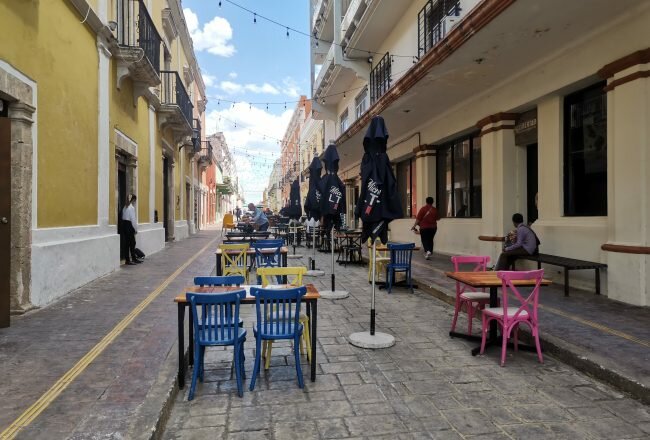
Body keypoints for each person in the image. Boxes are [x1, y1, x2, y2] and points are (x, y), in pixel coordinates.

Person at [121, 194, 141, 265]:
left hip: (124, 225)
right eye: (135, 200)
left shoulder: (125, 207)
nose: (135, 202)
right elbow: (133, 220)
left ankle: (128, 260)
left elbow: (123, 217)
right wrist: (135, 229)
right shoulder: (131, 207)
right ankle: (133, 259)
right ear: (133, 200)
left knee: (127, 244)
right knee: (132, 243)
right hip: (129, 225)